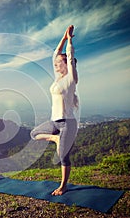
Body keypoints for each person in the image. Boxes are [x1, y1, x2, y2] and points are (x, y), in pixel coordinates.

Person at [30, 25, 79, 196]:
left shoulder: (71, 79)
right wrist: (63, 38)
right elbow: (54, 54)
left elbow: (70, 56)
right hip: (54, 122)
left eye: (60, 62)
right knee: (34, 134)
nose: (56, 64)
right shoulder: (58, 78)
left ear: (67, 64)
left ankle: (63, 186)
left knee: (63, 157)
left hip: (67, 124)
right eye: (56, 63)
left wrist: (70, 40)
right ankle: (54, 138)